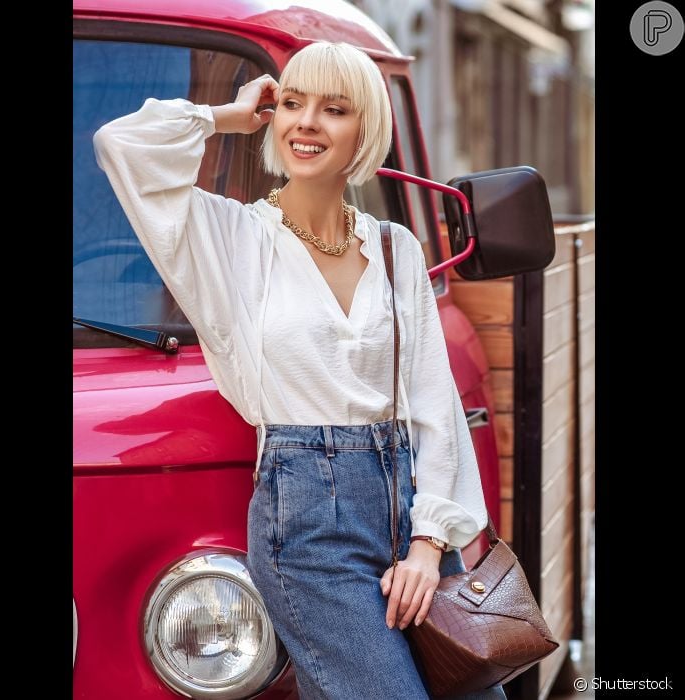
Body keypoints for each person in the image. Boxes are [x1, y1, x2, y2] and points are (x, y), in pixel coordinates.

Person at [93, 41, 506, 700]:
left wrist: (430, 544)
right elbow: (123, 144)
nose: (306, 122)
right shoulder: (231, 241)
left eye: (334, 109)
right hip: (309, 524)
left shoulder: (396, 248)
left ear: (365, 130)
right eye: (292, 103)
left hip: (406, 509)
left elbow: (433, 404)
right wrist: (228, 114)